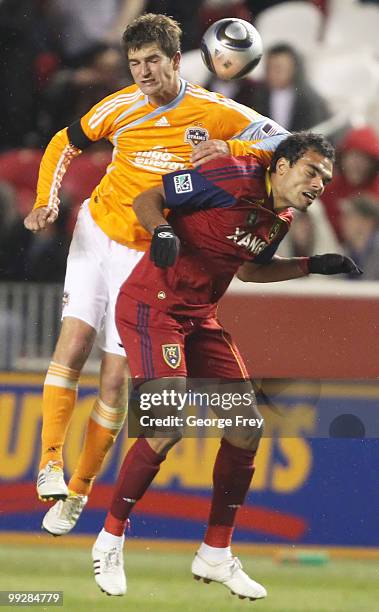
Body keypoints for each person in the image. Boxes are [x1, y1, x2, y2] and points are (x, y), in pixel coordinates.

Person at [24, 13, 290, 537]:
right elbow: (63, 142)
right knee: (73, 341)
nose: (142, 73)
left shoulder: (214, 112)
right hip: (97, 232)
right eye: (133, 64)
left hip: (147, 255)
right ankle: (49, 463)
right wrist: (45, 201)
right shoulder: (119, 106)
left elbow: (284, 144)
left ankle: (78, 491)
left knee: (117, 379)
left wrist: (231, 148)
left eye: (151, 62)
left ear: (174, 60)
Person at [91, 132, 361, 599]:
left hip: (200, 318)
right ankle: (110, 539)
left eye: (326, 178)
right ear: (280, 166)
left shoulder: (281, 215)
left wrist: (311, 264)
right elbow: (149, 196)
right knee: (166, 424)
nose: (319, 183)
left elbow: (249, 270)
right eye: (311, 170)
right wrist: (162, 230)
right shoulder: (228, 176)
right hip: (151, 306)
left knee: (245, 428)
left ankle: (215, 552)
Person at [320, 126, 379, 240]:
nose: (356, 164)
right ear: (343, 157)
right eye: (353, 156)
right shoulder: (328, 190)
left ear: (373, 163)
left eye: (363, 159)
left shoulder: (376, 191)